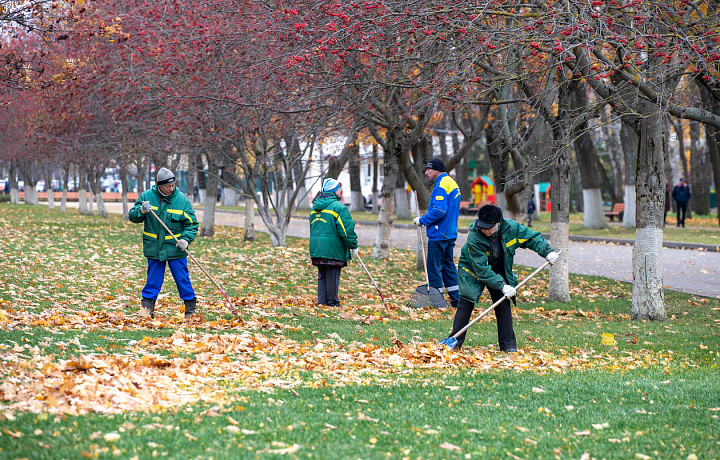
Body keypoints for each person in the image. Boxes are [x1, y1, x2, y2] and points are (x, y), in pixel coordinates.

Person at [446, 204, 559, 352]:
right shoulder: (474, 235)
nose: (484, 230)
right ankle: (454, 342)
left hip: (498, 267)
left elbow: (531, 238)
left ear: (497, 224)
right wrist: (502, 285)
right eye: (482, 226)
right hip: (473, 269)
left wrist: (547, 252)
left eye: (488, 227)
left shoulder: (511, 228)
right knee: (466, 302)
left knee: (503, 304)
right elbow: (482, 269)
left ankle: (508, 346)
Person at [129, 168, 199, 318]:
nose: (171, 188)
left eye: (173, 185)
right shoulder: (147, 197)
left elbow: (192, 224)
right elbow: (132, 216)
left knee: (182, 279)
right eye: (168, 186)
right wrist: (141, 210)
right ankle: (146, 313)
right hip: (154, 248)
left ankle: (190, 312)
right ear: (159, 185)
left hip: (175, 249)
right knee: (153, 280)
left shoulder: (181, 200)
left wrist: (185, 240)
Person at [412, 159, 462, 308]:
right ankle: (457, 300)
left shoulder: (441, 185)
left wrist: (422, 220)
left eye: (429, 170)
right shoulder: (452, 183)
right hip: (450, 233)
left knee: (434, 268)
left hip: (439, 233)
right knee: (448, 266)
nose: (426, 173)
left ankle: (437, 302)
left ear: (437, 170)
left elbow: (439, 211)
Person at [309, 178, 358, 307]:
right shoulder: (339, 207)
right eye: (339, 189)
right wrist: (353, 245)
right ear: (335, 190)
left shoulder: (314, 207)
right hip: (333, 249)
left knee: (323, 275)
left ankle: (322, 302)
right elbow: (346, 230)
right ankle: (332, 303)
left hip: (317, 248)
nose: (340, 191)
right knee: (333, 275)